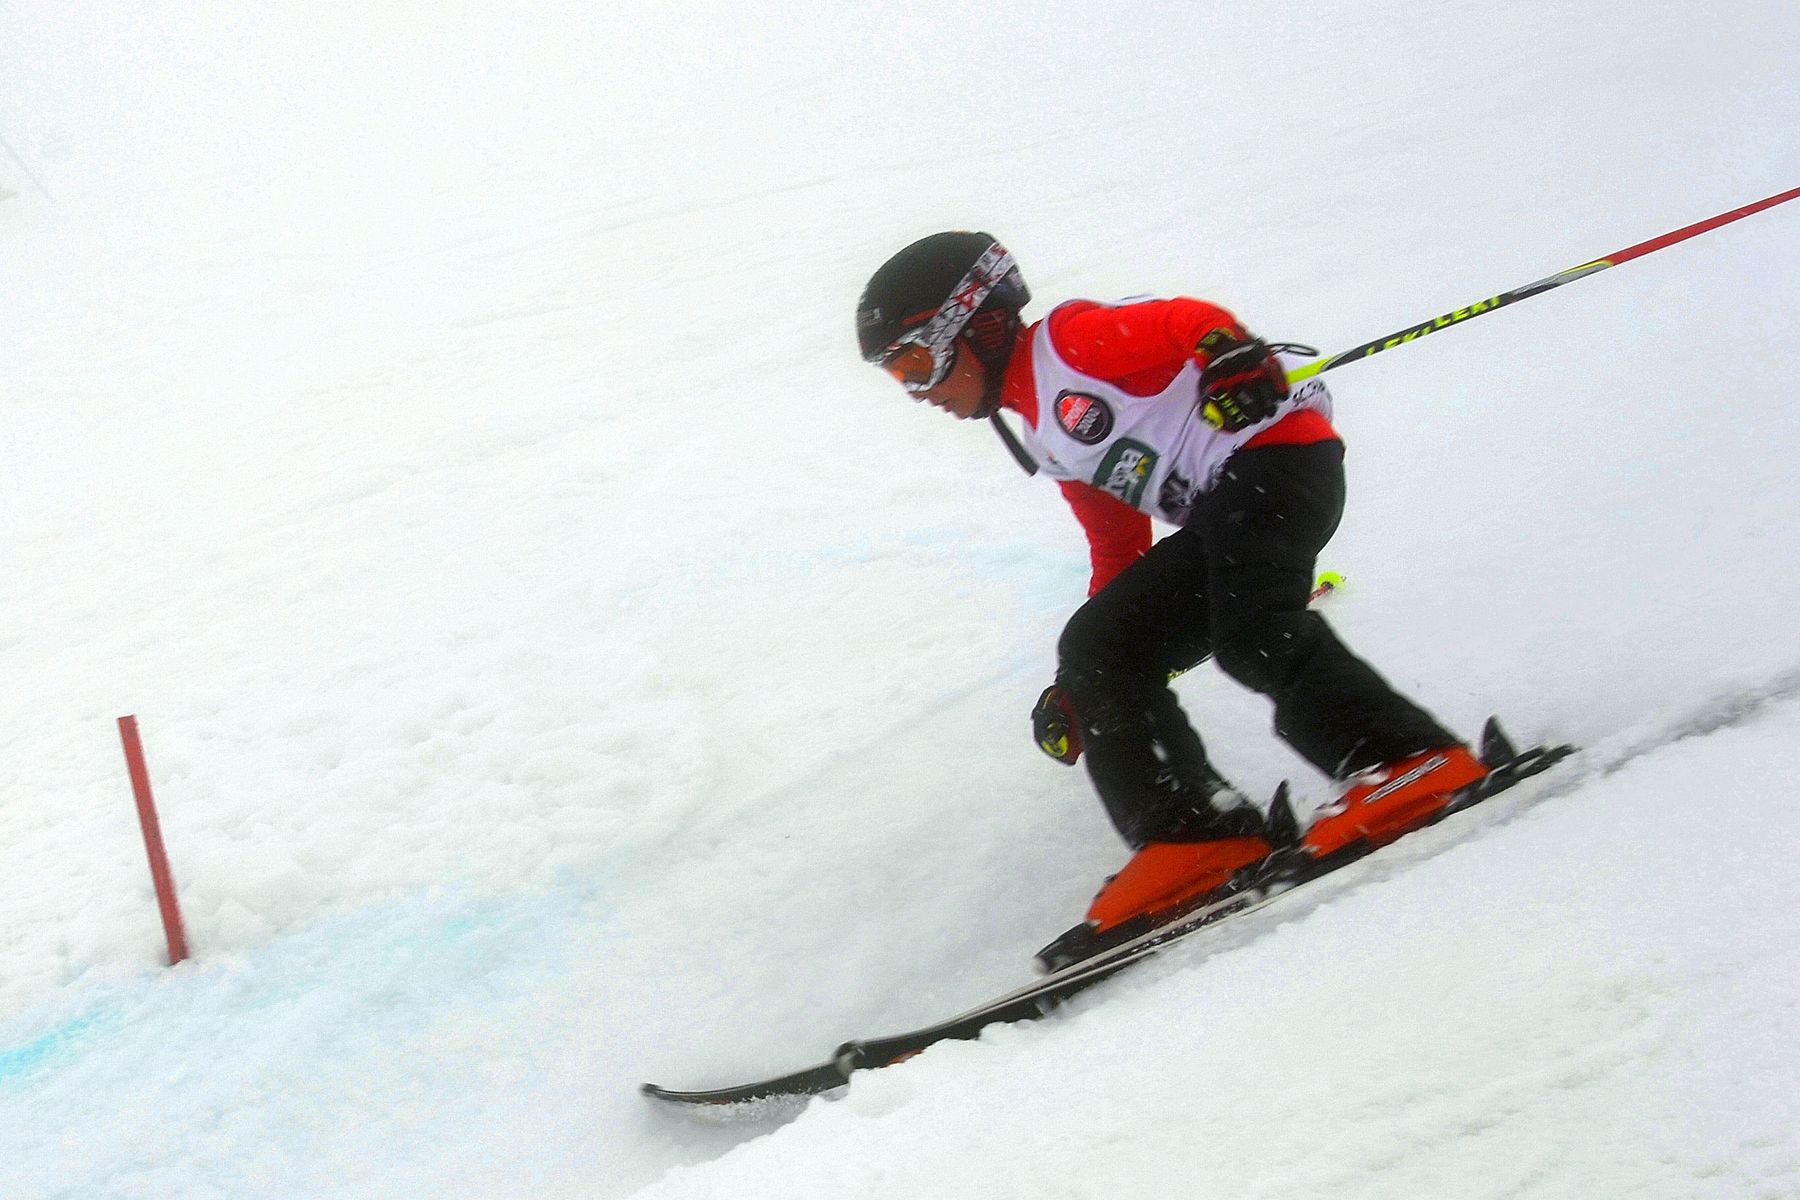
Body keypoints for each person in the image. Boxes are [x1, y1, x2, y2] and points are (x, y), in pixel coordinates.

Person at [856, 231, 1491, 966]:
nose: (919, 392)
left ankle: (1408, 760)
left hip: (1278, 463)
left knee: (1251, 630)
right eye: (898, 377)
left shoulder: (1068, 346)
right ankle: (1195, 834)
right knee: (1100, 646)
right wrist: (1080, 688)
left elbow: (1182, 320)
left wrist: (1226, 352)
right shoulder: (1047, 435)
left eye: (915, 363)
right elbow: (1118, 550)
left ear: (980, 325)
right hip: (1226, 509)